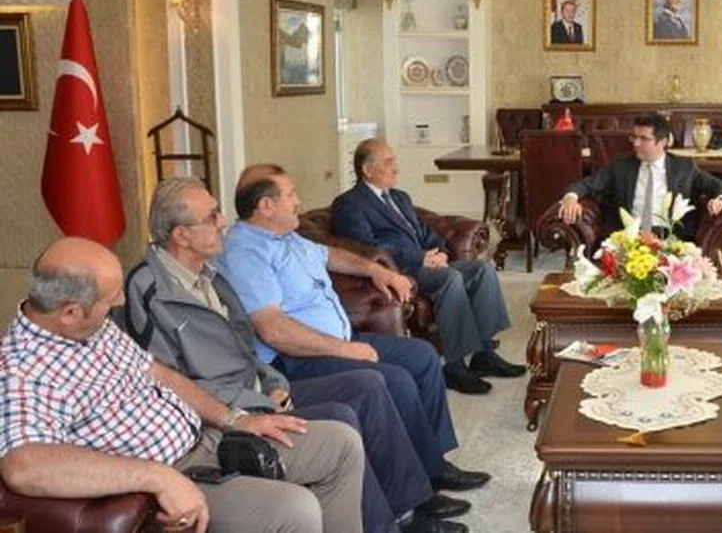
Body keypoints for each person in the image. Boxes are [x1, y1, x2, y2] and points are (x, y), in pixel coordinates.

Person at [120, 177, 473, 533]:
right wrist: (248, 402)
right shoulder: (150, 291)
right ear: (182, 235)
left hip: (261, 388)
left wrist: (272, 382)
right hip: (228, 411)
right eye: (212, 216)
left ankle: (409, 505)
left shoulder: (209, 275)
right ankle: (391, 523)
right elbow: (167, 381)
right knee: (346, 411)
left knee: (372, 386)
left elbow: (245, 346)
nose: (223, 221)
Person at [0, 237, 364, 533]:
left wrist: (234, 419)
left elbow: (159, 373)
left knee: (340, 444)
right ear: (69, 312)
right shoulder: (22, 370)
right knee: (293, 509)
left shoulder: (92, 327)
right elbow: (24, 466)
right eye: (111, 301)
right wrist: (157, 478)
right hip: (170, 480)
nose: (122, 302)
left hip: (206, 437)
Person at [219, 164, 491, 507]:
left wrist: (375, 269)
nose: (298, 201)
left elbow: (330, 255)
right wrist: (346, 350)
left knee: (422, 357)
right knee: (393, 380)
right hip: (297, 358)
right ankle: (413, 498)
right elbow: (273, 329)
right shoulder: (246, 252)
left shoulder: (286, 236)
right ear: (266, 206)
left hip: (341, 339)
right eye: (290, 195)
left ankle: (433, 466)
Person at [332, 139, 524, 395]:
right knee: (450, 278)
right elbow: (365, 247)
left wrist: (440, 252)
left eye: (394, 161)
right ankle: (454, 367)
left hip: (424, 262)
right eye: (388, 162)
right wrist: (420, 258)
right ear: (367, 170)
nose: (396, 168)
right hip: (398, 269)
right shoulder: (350, 204)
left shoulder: (399, 197)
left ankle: (484, 354)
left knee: (482, 270)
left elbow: (424, 232)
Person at [557, 113, 722, 240]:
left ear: (662, 142)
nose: (636, 143)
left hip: (671, 239)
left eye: (644, 138)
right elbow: (587, 184)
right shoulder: (621, 166)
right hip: (629, 237)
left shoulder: (684, 167)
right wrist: (570, 198)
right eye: (634, 137)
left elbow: (721, 186)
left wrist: (721, 200)